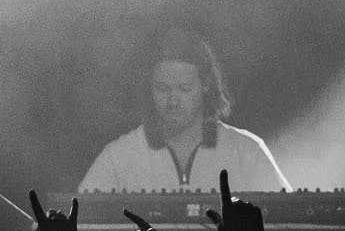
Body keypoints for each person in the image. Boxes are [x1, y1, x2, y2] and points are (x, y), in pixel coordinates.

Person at [78, 28, 289, 193]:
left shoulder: (247, 151)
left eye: (184, 88)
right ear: (149, 87)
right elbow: (80, 225)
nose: (173, 101)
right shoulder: (118, 157)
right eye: (162, 89)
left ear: (205, 84)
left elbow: (289, 223)